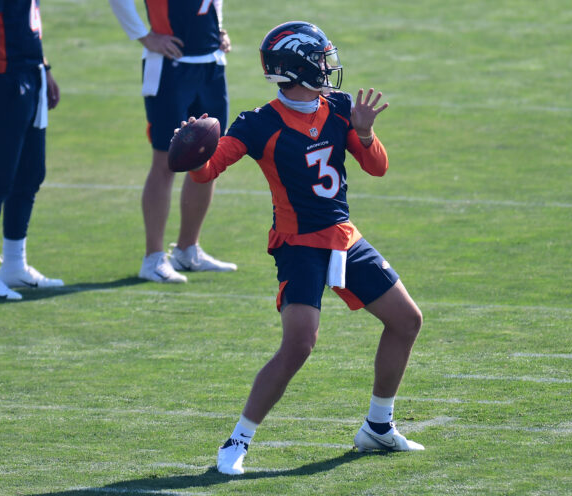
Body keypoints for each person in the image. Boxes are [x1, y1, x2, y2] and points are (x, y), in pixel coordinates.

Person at [176, 21, 424, 474]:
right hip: (299, 244)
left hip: (344, 237)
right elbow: (209, 170)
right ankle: (238, 439)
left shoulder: (341, 108)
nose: (329, 69)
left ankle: (378, 426)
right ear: (299, 67)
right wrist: (194, 154)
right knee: (299, 344)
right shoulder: (259, 123)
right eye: (321, 60)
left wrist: (366, 134)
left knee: (407, 320)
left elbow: (377, 167)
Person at [108, 0, 237, 283]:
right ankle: (153, 258)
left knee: (207, 158)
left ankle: (187, 249)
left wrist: (219, 28)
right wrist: (144, 36)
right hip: (170, 67)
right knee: (166, 161)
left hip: (211, 65)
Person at [0, 0, 64, 300]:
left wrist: (43, 68)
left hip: (29, 74)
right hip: (3, 80)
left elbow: (26, 23)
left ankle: (15, 265)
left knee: (31, 174)